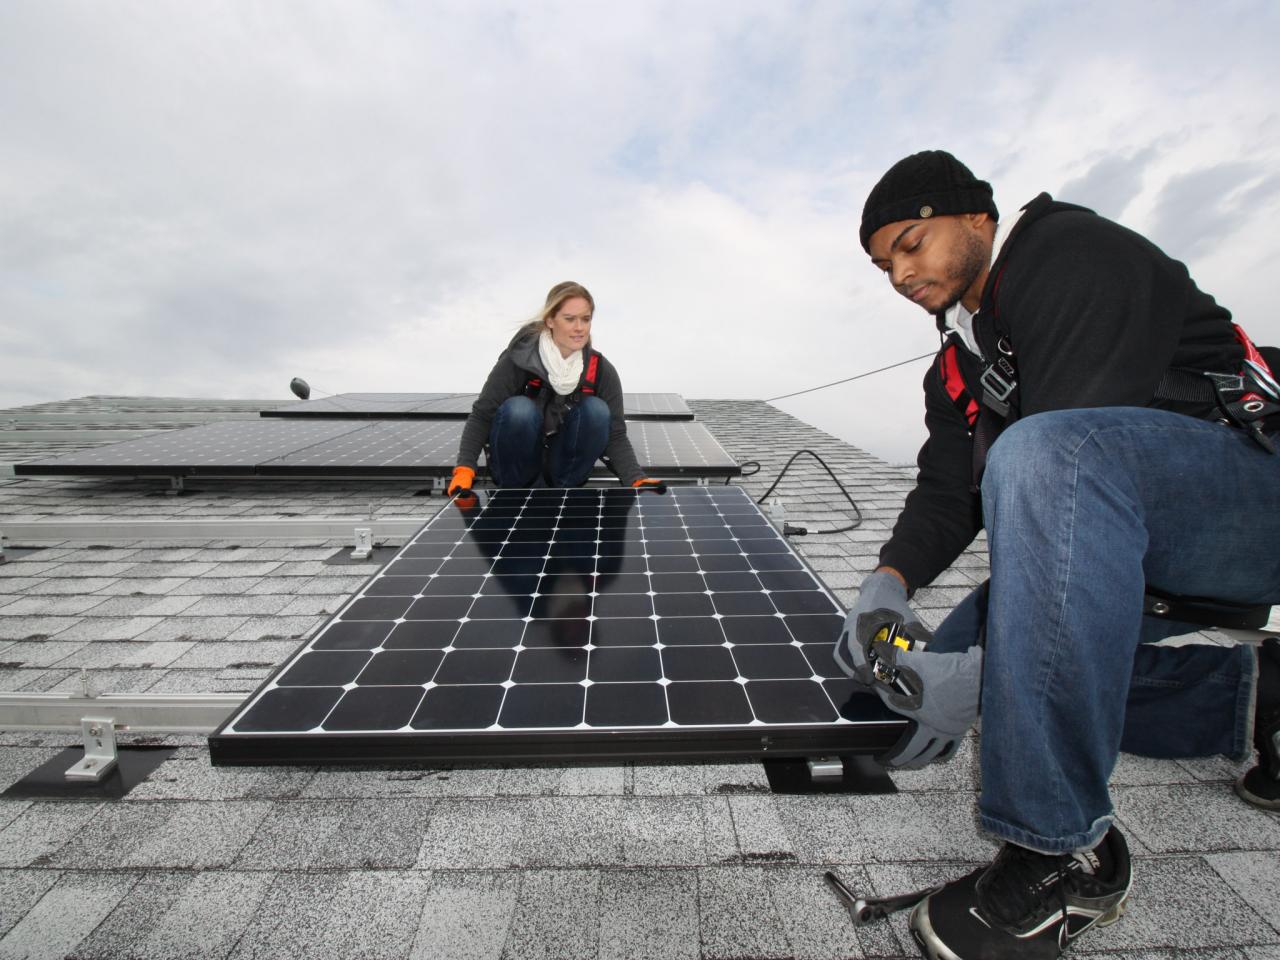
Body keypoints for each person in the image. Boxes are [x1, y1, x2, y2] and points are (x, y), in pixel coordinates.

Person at [835, 150, 1280, 959]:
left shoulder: (1068, 256)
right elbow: (948, 494)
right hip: (1131, 528)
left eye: (911, 242)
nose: (899, 274)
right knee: (964, 657)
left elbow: (1062, 464)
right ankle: (1259, 700)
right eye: (882, 263)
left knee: (1015, 613)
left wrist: (987, 678)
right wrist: (885, 585)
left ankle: (1056, 856)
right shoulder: (960, 358)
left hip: (1250, 492)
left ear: (977, 218)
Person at [446, 281, 664, 496]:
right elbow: (482, 415)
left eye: (585, 319)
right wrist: (465, 467)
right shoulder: (518, 359)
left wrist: (635, 477)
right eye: (569, 319)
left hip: (563, 472)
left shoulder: (600, 370)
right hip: (514, 471)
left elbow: (615, 434)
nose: (579, 328)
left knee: (597, 410)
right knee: (519, 410)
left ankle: (562, 492)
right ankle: (518, 489)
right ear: (550, 320)